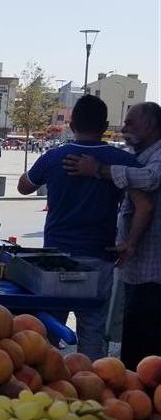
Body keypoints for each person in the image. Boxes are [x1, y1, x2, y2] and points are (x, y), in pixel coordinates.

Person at [16, 95, 152, 360]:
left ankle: (47, 387)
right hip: (98, 260)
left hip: (54, 261)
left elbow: (24, 187)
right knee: (92, 333)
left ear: (72, 122)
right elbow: (144, 206)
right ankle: (90, 388)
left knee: (46, 335)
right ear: (104, 126)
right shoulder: (118, 160)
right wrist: (131, 243)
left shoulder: (55, 156)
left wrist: (40, 169)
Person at [62, 101, 161, 367]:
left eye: (130, 122)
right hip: (135, 268)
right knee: (131, 341)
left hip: (154, 270)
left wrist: (99, 170)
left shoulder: (155, 157)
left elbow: (150, 181)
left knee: (146, 349)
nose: (124, 127)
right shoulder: (133, 155)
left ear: (150, 125)